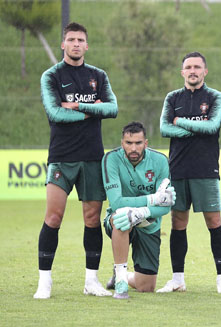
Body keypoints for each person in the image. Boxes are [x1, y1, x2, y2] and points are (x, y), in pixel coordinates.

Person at [34, 22, 118, 299]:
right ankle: (44, 282)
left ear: (86, 45)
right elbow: (56, 114)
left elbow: (113, 108)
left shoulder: (98, 75)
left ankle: (90, 281)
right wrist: (92, 111)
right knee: (54, 216)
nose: (76, 44)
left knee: (92, 219)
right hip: (61, 157)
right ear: (63, 44)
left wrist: (79, 106)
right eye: (71, 39)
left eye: (81, 39)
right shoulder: (51, 76)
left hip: (93, 158)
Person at [159, 52, 221, 294]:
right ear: (182, 72)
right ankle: (178, 279)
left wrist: (181, 122)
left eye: (197, 67)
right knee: (178, 223)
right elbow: (163, 128)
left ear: (205, 71)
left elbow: (212, 127)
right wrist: (194, 128)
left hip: (206, 169)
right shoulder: (172, 98)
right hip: (177, 169)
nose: (192, 71)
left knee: (214, 221)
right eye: (188, 67)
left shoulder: (215, 97)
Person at [102, 122, 175, 299]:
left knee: (147, 286)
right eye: (129, 143)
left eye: (138, 143)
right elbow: (117, 202)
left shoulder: (160, 161)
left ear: (146, 143)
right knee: (122, 217)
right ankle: (120, 281)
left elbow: (166, 205)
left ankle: (123, 276)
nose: (133, 148)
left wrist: (143, 212)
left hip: (149, 223)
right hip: (119, 220)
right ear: (122, 143)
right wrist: (151, 200)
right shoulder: (111, 159)